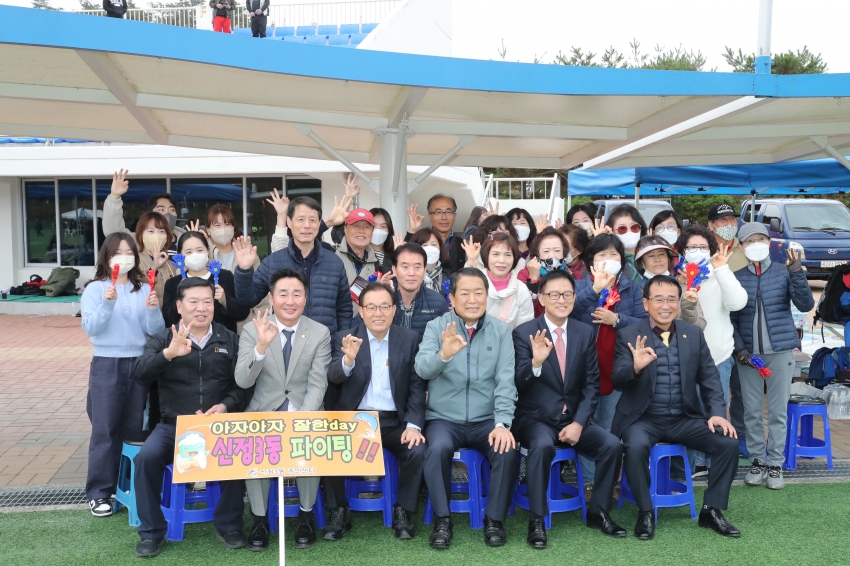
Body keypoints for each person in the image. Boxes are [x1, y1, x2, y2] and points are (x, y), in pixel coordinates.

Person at [612, 275, 741, 541]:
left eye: (672, 299)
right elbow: (617, 379)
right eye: (658, 299)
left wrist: (717, 412)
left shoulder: (692, 333)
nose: (666, 305)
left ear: (679, 302)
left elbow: (709, 378)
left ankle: (711, 510)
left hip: (684, 418)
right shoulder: (628, 334)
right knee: (635, 448)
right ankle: (645, 512)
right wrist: (635, 367)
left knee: (728, 443)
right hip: (642, 419)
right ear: (646, 303)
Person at [133, 278, 250, 557]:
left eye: (207, 301)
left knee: (237, 457)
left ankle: (230, 525)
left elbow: (245, 386)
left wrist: (225, 406)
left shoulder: (229, 338)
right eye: (193, 302)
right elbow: (140, 372)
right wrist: (168, 354)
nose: (202, 308)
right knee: (146, 458)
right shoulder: (163, 338)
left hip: (218, 426)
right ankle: (151, 532)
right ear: (179, 306)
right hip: (174, 426)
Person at [513, 270, 626, 548]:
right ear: (541, 298)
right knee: (541, 446)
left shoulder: (584, 332)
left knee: (611, 444)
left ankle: (598, 511)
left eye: (567, 294)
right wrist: (536, 363)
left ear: (575, 297)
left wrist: (578, 422)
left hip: (573, 418)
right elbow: (518, 382)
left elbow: (591, 384)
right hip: (535, 418)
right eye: (554, 294)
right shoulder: (524, 333)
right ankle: (537, 519)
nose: (561, 300)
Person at [415, 268, 518, 549]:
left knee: (507, 450)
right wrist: (443, 355)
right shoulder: (437, 327)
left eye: (479, 292)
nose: (472, 299)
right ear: (451, 298)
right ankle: (443, 520)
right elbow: (422, 369)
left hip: (487, 419)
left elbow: (506, 380)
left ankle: (494, 520)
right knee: (435, 450)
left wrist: (502, 423)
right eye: (465, 293)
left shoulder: (500, 331)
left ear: (487, 296)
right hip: (443, 419)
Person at [234, 269, 330, 551]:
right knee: (257, 441)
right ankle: (260, 519)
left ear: (306, 298)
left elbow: (317, 382)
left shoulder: (319, 332)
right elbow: (242, 380)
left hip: (304, 408)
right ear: (272, 298)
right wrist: (261, 348)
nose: (290, 300)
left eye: (297, 293)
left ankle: (305, 514)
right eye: (283, 294)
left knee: (309, 437)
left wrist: (303, 419)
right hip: (264, 410)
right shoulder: (253, 329)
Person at [326, 282, 427, 540]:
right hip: (355, 420)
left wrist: (414, 424)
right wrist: (348, 360)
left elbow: (417, 385)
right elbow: (334, 377)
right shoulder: (345, 338)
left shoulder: (409, 339)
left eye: (384, 306)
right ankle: (339, 510)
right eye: (371, 307)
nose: (378, 313)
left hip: (394, 422)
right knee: (328, 446)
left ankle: (403, 509)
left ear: (394, 310)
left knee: (417, 450)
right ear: (361, 310)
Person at [80, 233, 164, 518]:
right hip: (107, 362)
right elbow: (91, 327)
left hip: (139, 363)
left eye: (130, 252)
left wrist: (153, 310)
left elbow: (155, 330)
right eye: (118, 252)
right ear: (106, 256)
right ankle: (99, 492)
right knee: (105, 429)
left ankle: (125, 486)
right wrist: (107, 303)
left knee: (133, 429)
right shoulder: (95, 289)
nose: (125, 257)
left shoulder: (142, 289)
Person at [731, 223, 814, 491]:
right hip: (749, 356)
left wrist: (797, 274)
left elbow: (805, 305)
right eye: (749, 240)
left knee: (777, 412)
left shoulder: (784, 271)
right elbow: (731, 319)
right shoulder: (737, 276)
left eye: (760, 239)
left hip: (780, 352)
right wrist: (740, 348)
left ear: (769, 242)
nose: (755, 243)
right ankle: (758, 460)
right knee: (752, 412)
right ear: (741, 246)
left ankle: (775, 464)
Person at [571, 234, 647, 484]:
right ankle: (590, 482)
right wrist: (594, 290)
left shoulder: (631, 287)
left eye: (613, 254)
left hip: (618, 365)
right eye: (601, 254)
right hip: (587, 367)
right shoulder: (579, 285)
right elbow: (570, 315)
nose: (608, 259)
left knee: (609, 423)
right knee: (587, 424)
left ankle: (608, 480)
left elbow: (644, 324)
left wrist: (616, 320)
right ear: (591, 259)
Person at [676, 224, 748, 477]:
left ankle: (712, 463)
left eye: (703, 247)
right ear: (683, 251)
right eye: (692, 247)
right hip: (683, 359)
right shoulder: (676, 278)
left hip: (718, 356)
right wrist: (684, 288)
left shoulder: (720, 274)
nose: (697, 251)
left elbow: (738, 302)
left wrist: (721, 268)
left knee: (715, 409)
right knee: (688, 411)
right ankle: (691, 464)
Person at [232, 196, 353, 335]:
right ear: (289, 222)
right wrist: (244, 270)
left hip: (325, 348)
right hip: (284, 346)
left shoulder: (334, 262)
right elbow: (248, 299)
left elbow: (344, 308)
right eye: (300, 219)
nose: (306, 225)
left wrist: (341, 344)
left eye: (312, 220)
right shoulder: (274, 261)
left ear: (319, 223)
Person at [162, 232, 249, 333]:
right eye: (188, 252)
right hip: (186, 343)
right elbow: (168, 321)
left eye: (199, 250)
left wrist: (225, 301)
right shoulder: (173, 283)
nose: (195, 255)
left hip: (223, 343)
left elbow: (242, 313)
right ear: (180, 255)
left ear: (207, 250)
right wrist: (180, 296)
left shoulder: (225, 277)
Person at [463, 232, 534, 330]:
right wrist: (471, 261)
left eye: (508, 255)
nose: (501, 260)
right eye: (495, 254)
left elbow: (523, 331)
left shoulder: (521, 290)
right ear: (486, 256)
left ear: (514, 258)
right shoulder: (474, 282)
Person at [103, 169, 184, 245]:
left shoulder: (186, 240)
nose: (168, 213)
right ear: (150, 215)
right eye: (161, 209)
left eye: (172, 209)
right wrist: (114, 197)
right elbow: (114, 234)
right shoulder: (137, 241)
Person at [385, 243, 448, 337]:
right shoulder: (382, 299)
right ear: (394, 269)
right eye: (405, 267)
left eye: (417, 267)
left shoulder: (438, 303)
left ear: (424, 270)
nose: (411, 273)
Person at [517, 226, 571, 318]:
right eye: (546, 251)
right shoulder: (524, 274)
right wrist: (533, 280)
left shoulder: (571, 275)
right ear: (537, 254)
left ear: (564, 252)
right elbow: (525, 309)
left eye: (557, 250)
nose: (552, 255)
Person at [405, 194, 467, 272]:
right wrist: (412, 231)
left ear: (454, 216)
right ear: (430, 216)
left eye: (448, 212)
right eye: (438, 212)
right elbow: (404, 258)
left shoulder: (463, 245)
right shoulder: (420, 242)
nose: (444, 217)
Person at [333, 208, 384, 286]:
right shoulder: (331, 254)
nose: (361, 231)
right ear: (345, 229)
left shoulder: (376, 262)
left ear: (372, 231)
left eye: (367, 227)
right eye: (356, 226)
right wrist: (329, 222)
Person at [605, 204, 647, 283]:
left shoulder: (650, 253)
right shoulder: (609, 259)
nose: (629, 232)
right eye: (622, 229)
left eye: (634, 227)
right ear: (611, 231)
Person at [409, 228, 451, 296]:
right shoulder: (409, 275)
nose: (430, 249)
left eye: (434, 245)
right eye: (425, 245)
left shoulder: (449, 276)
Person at [707, 203, 747, 272]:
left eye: (732, 218)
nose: (729, 223)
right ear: (711, 225)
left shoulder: (745, 248)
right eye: (723, 219)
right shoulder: (702, 249)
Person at [369, 207, 396, 272]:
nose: (378, 230)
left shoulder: (393, 253)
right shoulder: (359, 253)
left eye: (383, 226)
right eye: (374, 226)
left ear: (389, 230)